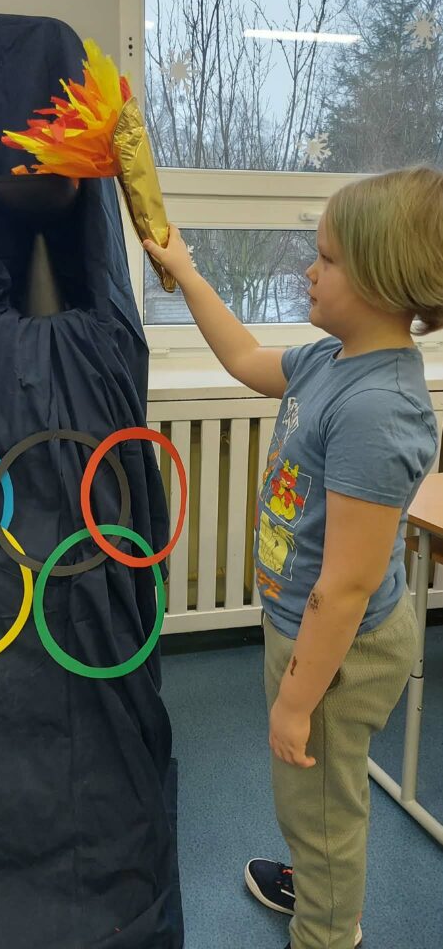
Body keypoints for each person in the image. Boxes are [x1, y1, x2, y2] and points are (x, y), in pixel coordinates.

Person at [144, 165, 443, 949]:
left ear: (380, 278)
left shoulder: (377, 408)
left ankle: (327, 930)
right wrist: (185, 272)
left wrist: (294, 702)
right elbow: (245, 357)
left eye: (327, 259)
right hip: (307, 628)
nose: (308, 271)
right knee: (307, 797)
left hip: (338, 649)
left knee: (323, 808)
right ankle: (317, 884)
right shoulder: (327, 361)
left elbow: (343, 587)